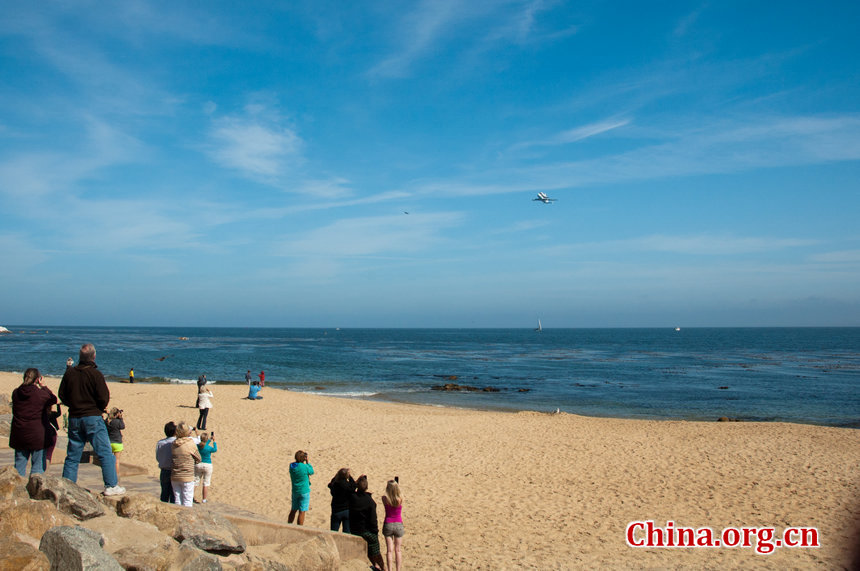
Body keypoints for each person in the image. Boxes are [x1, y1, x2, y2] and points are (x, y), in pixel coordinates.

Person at [58, 343, 125, 496]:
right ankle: (111, 485)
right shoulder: (95, 375)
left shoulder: (70, 373)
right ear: (94, 357)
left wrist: (73, 404)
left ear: (80, 357)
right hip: (91, 417)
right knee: (105, 452)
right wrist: (97, 407)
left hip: (75, 417)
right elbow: (104, 398)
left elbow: (62, 394)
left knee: (73, 455)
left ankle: (67, 486)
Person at [9, 368, 57, 477]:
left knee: (19, 466)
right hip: (37, 435)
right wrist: (43, 386)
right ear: (37, 380)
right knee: (38, 468)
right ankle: (34, 491)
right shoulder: (40, 394)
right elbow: (53, 399)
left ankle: (18, 491)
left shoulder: (16, 393)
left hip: (20, 433)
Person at [350, 475, 385, 570]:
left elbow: (350, 488)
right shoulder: (370, 501)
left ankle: (376, 566)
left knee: (371, 551)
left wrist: (354, 482)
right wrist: (375, 531)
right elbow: (373, 520)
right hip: (367, 531)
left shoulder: (352, 498)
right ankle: (383, 568)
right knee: (376, 551)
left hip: (355, 530)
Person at [171, 421, 201, 507]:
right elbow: (198, 458)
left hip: (175, 475)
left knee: (177, 500)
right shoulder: (190, 443)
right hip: (187, 475)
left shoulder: (174, 444)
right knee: (187, 501)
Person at [382, 480, 405, 571]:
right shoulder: (400, 498)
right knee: (398, 550)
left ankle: (390, 569)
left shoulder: (385, 499)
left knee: (389, 550)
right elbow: (400, 496)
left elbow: (385, 497)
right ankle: (398, 569)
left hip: (388, 523)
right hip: (398, 523)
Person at [288, 450, 314, 525]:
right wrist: (308, 462)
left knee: (293, 510)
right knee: (302, 511)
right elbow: (311, 471)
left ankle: (289, 524)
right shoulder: (305, 467)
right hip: (304, 491)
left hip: (295, 491)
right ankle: (300, 527)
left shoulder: (292, 466)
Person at [328, 468, 356, 533]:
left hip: (336, 510)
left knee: (334, 532)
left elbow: (330, 483)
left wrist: (336, 476)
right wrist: (350, 476)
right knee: (347, 533)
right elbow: (354, 485)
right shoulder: (348, 486)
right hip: (346, 510)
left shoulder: (335, 485)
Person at [156, 421, 177, 503]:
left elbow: (158, 456)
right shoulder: (176, 442)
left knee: (164, 494)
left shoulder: (160, 443)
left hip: (164, 469)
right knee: (173, 495)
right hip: (173, 470)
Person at [195, 432, 217, 503]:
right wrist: (214, 441)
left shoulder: (198, 446)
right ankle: (204, 499)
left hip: (199, 464)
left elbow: (203, 444)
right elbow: (215, 449)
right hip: (207, 465)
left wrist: (209, 440)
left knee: (196, 481)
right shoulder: (208, 448)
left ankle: (190, 495)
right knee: (206, 483)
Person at [105, 407, 125, 477]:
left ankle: (109, 474)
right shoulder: (117, 422)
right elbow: (122, 426)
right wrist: (120, 418)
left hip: (109, 442)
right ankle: (116, 475)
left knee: (109, 460)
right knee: (117, 461)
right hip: (117, 442)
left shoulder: (107, 421)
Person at [44, 401, 63, 468]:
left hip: (44, 435)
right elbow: (59, 413)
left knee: (43, 452)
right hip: (52, 434)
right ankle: (47, 468)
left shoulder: (42, 415)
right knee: (49, 453)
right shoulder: (52, 414)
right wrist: (58, 405)